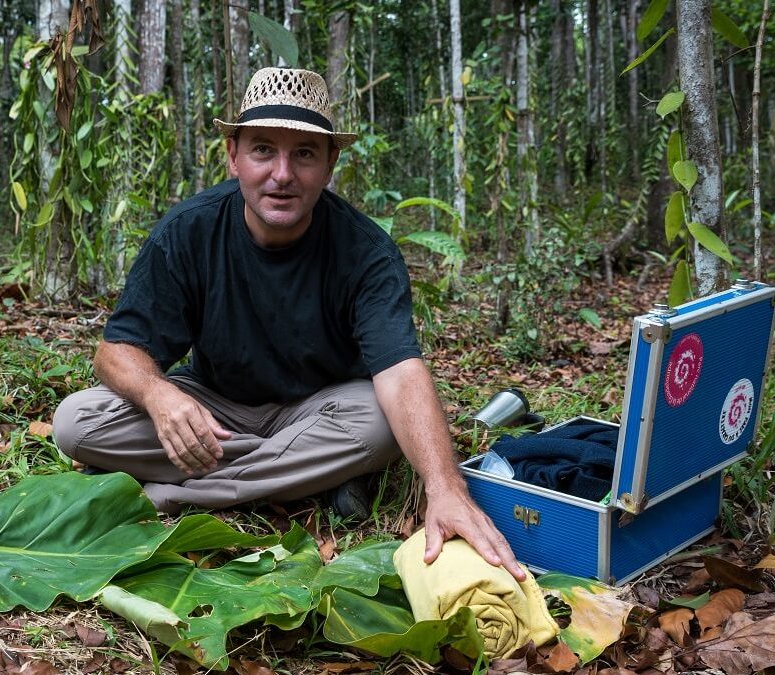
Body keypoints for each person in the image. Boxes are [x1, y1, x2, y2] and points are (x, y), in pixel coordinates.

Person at [53, 67, 523, 578]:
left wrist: (446, 488)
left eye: (303, 153)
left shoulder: (366, 253)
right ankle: (316, 477)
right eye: (262, 150)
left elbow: (400, 372)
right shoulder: (189, 231)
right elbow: (115, 351)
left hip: (321, 411)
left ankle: (175, 492)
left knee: (378, 423)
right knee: (76, 422)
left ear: (329, 163)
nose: (282, 173)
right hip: (216, 408)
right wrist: (159, 395)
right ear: (233, 156)